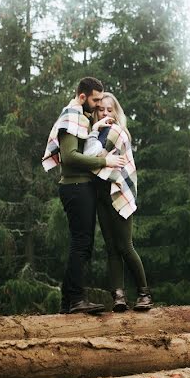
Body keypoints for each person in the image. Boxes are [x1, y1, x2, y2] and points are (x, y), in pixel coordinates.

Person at [41, 77, 126, 314]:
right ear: (82, 97)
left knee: (82, 243)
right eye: (96, 99)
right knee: (81, 244)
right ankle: (77, 299)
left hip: (79, 187)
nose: (99, 104)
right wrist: (104, 160)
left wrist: (97, 128)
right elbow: (69, 157)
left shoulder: (80, 117)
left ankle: (68, 302)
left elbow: (81, 144)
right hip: (76, 188)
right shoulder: (72, 117)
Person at [84, 92, 152, 312]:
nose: (105, 113)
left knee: (125, 246)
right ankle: (119, 297)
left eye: (109, 109)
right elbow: (93, 158)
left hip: (118, 191)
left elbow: (91, 157)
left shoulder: (115, 131)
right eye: (100, 109)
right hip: (102, 194)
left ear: (116, 111)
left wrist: (93, 134)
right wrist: (94, 132)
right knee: (112, 248)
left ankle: (144, 294)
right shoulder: (97, 132)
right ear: (95, 112)